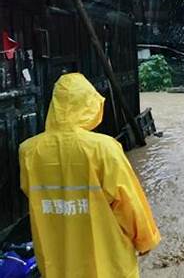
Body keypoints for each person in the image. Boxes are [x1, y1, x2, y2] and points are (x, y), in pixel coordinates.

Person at [18, 73, 161, 278]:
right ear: (89, 105)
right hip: (107, 264)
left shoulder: (28, 151)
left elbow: (32, 195)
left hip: (57, 261)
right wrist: (145, 239)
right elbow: (128, 201)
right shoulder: (103, 148)